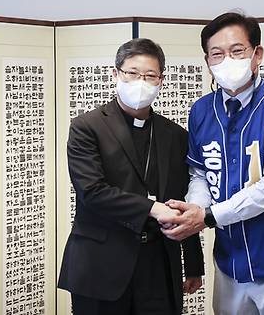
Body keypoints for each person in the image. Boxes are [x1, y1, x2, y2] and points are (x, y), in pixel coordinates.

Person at [159, 11, 264, 315]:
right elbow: (200, 174)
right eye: (217, 54)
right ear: (207, 61)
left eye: (237, 51)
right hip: (230, 261)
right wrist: (195, 208)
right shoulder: (202, 111)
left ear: (257, 54)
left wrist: (206, 217)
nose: (227, 60)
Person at [58, 38, 204, 315]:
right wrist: (153, 208)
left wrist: (193, 263)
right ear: (116, 74)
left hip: (159, 265)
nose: (141, 82)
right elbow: (92, 191)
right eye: (133, 73)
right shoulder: (87, 127)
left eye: (150, 75)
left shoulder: (175, 135)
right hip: (101, 264)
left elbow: (183, 199)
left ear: (161, 81)